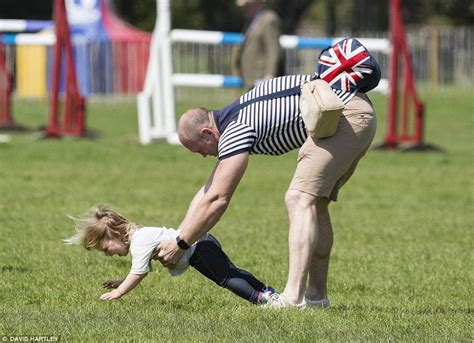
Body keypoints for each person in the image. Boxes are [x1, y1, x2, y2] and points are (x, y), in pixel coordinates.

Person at [156, 39, 381, 309]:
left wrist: (181, 244)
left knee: (298, 199)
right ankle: (316, 296)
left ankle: (292, 298)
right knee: (315, 204)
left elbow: (218, 198)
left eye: (199, 149)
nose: (204, 155)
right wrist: (180, 234)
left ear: (207, 132)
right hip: (357, 112)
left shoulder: (235, 129)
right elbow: (209, 189)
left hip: (346, 117)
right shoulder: (237, 112)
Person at [64, 204, 275, 305]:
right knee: (230, 272)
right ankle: (266, 292)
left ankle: (260, 299)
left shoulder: (139, 242)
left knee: (226, 278)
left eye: (106, 249)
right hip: (203, 242)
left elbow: (139, 272)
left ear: (116, 235)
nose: (108, 255)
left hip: (198, 249)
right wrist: (121, 282)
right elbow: (138, 269)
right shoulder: (140, 235)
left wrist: (119, 292)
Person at [233, 0, 284, 89]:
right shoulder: (253, 20)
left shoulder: (268, 19)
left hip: (262, 79)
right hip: (252, 79)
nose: (245, 8)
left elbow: (273, 50)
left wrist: (269, 74)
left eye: (247, 5)